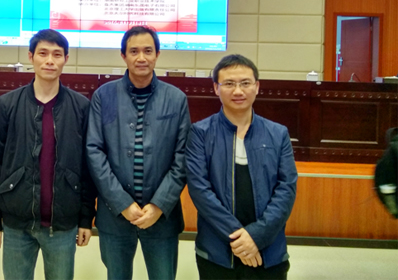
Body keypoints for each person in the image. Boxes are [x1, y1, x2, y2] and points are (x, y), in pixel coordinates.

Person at [0, 29, 96, 280]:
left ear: (66, 59)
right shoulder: (7, 104)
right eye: (43, 53)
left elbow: (88, 168)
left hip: (63, 224)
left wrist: (86, 218)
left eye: (57, 54)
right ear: (31, 56)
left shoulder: (81, 107)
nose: (49, 61)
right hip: (17, 223)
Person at [86, 25, 191, 280]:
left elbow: (183, 156)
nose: (141, 57)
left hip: (162, 217)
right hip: (115, 215)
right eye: (134, 51)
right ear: (123, 55)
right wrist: (122, 203)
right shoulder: (103, 96)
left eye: (148, 51)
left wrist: (158, 205)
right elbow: (94, 151)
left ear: (157, 54)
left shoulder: (176, 98)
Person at [186, 54, 297, 280]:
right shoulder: (200, 133)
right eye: (229, 83)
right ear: (216, 88)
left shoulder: (278, 134)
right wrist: (241, 239)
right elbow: (200, 191)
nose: (238, 91)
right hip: (217, 252)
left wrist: (255, 236)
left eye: (245, 83)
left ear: (257, 87)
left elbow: (286, 189)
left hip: (268, 250)